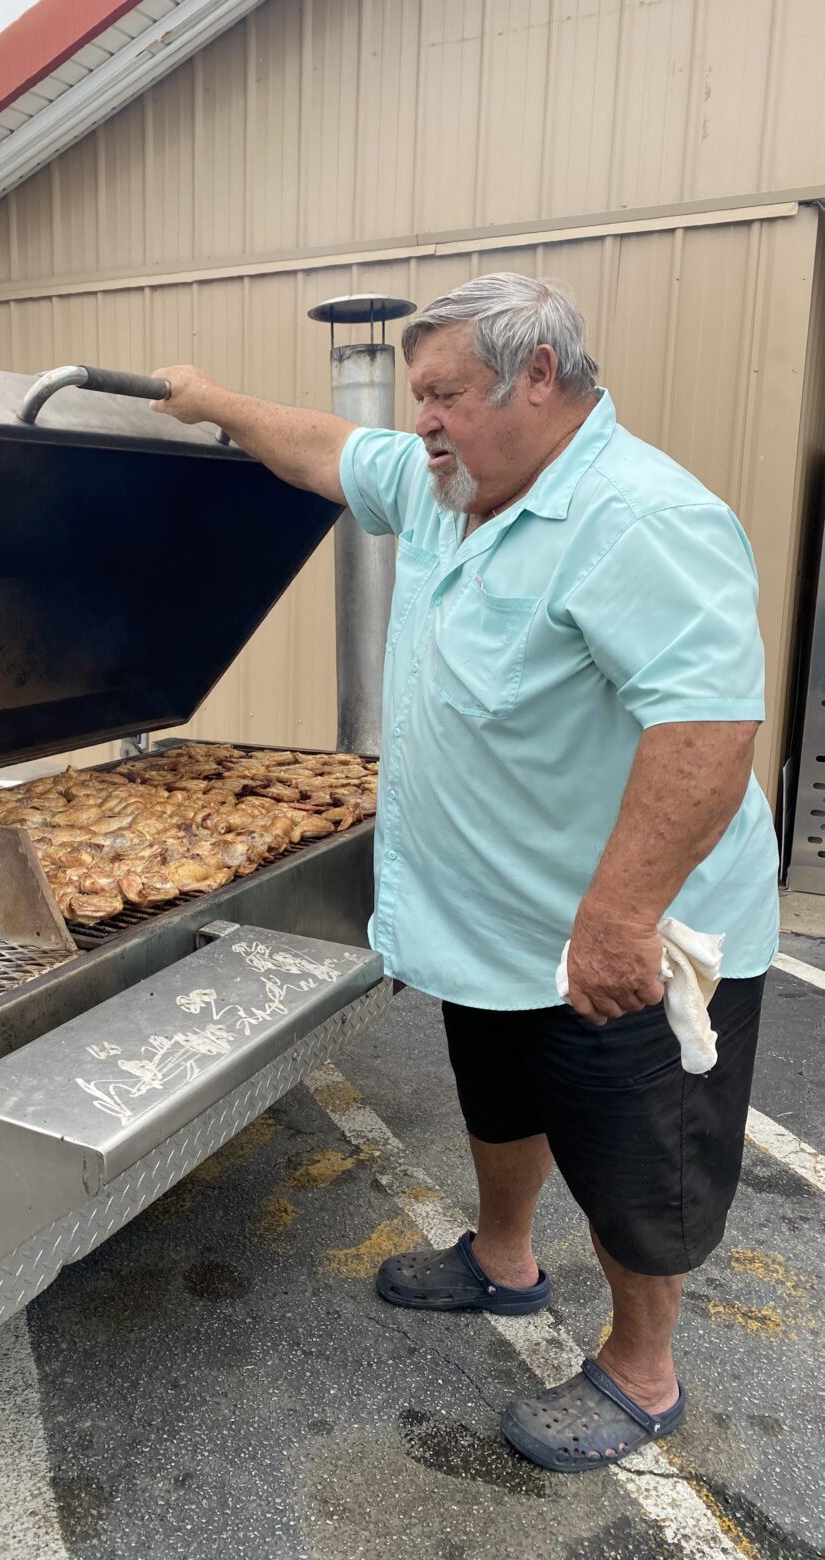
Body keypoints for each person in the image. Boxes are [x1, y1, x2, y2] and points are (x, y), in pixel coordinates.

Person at [149, 272, 779, 1472]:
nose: (421, 420)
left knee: (638, 1158)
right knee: (501, 1096)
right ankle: (503, 1261)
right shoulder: (452, 485)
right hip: (495, 919)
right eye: (416, 395)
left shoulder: (641, 519)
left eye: (443, 394)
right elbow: (326, 448)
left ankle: (643, 1373)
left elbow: (707, 731)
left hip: (624, 929)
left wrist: (620, 918)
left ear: (538, 376)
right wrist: (212, 401)